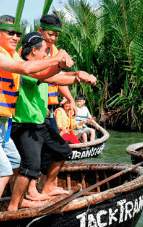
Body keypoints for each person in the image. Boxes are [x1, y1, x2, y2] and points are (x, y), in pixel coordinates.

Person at [0, 15, 74, 214]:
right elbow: (26, 67)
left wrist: (63, 69)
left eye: (17, 34)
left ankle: (19, 201)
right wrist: (57, 58)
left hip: (1, 124)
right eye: (10, 33)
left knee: (15, 162)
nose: (15, 37)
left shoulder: (12, 56)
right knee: (2, 171)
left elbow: (39, 75)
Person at [7, 32, 97, 211]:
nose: (47, 55)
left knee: (62, 151)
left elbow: (56, 76)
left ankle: (48, 186)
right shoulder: (23, 68)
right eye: (45, 52)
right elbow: (49, 76)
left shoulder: (39, 68)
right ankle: (13, 205)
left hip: (40, 123)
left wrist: (78, 75)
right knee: (30, 166)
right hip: (25, 125)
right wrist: (67, 68)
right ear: (34, 51)